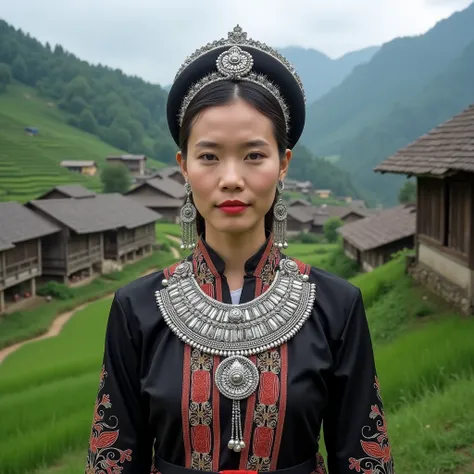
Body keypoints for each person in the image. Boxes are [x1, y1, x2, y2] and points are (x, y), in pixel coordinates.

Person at [85, 25, 394, 474]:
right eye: (209, 156)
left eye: (253, 155)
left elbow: (364, 458)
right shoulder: (137, 309)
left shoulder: (336, 306)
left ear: (283, 163)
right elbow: (114, 458)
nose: (231, 177)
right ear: (183, 167)